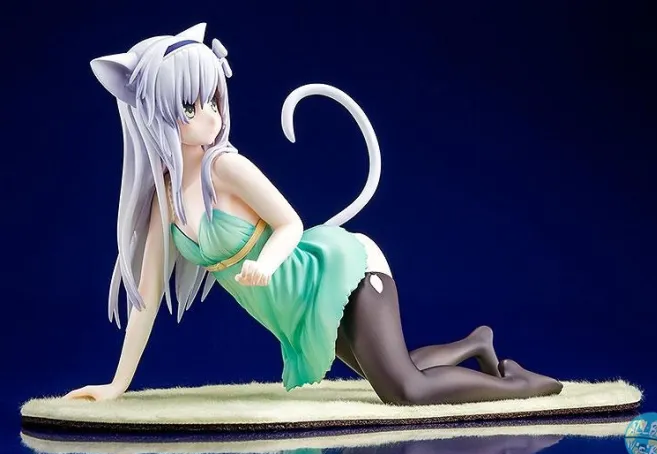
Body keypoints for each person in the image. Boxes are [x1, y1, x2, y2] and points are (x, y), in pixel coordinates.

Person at [65, 23, 563, 406]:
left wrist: (267, 262)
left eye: (212, 98)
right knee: (391, 372)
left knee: (405, 390)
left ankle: (523, 385)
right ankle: (477, 342)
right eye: (189, 106)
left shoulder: (226, 167)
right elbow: (147, 298)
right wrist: (117, 384)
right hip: (304, 308)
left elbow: (290, 224)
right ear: (153, 113)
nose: (210, 114)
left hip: (340, 274)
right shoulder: (167, 198)